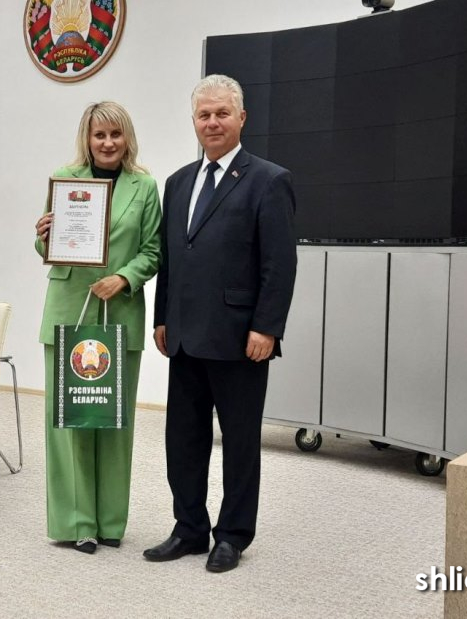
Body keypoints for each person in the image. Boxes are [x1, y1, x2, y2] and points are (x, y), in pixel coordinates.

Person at [144, 74, 297, 573]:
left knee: (239, 442)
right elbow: (172, 257)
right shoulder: (178, 181)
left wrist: (267, 327)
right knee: (182, 441)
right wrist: (162, 315)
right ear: (194, 122)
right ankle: (188, 528)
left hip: (239, 339)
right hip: (184, 336)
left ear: (242, 119)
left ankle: (232, 535)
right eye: (204, 115)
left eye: (222, 113)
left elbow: (279, 263)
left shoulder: (269, 180)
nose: (212, 122)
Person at [35, 101, 161, 554]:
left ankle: (109, 522)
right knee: (68, 422)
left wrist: (125, 277)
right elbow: (45, 244)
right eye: (98, 135)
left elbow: (152, 249)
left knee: (114, 421)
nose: (107, 143)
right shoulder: (65, 179)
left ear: (127, 138)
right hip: (68, 310)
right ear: (86, 139)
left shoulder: (145, 187)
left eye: (115, 135)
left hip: (120, 313)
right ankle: (75, 523)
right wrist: (43, 233)